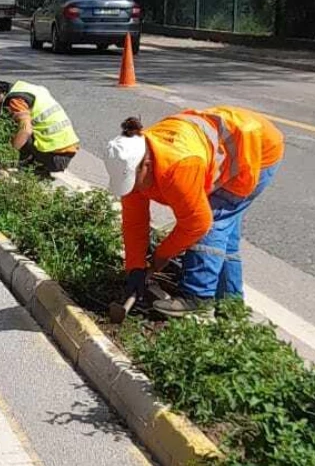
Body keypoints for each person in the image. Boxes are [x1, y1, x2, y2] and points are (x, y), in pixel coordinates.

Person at [111, 106, 284, 315]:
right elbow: (134, 222)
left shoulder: (178, 167)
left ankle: (197, 296)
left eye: (134, 182)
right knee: (225, 239)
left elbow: (197, 223)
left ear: (146, 165)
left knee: (215, 223)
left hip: (255, 149)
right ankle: (232, 307)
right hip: (230, 141)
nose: (133, 189)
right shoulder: (133, 164)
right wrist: (135, 268)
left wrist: (159, 258)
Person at [0, 78, 79, 176]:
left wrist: (6, 157)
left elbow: (25, 130)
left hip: (55, 158)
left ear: (1, 93)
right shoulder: (29, 89)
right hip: (67, 151)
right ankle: (34, 163)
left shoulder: (15, 100)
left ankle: (30, 165)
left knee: (14, 127)